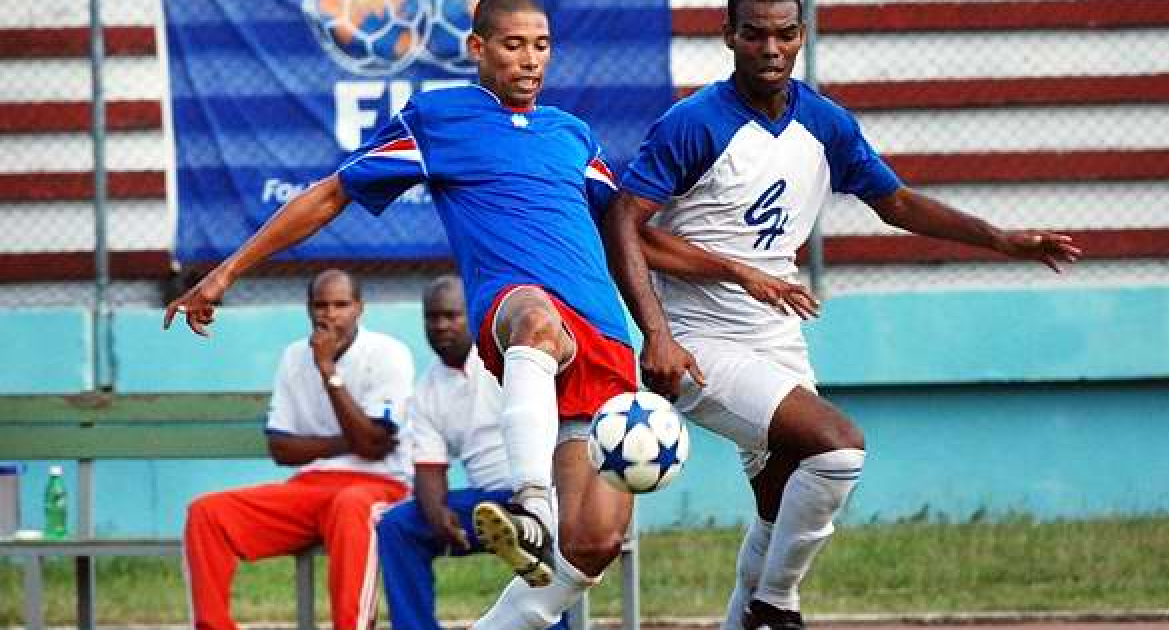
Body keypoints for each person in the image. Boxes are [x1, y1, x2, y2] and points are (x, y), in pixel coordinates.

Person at [604, 1, 1083, 629]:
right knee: (837, 449)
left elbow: (898, 202)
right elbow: (622, 223)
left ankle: (749, 613)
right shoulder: (694, 123)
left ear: (801, 36)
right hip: (699, 340)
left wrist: (1003, 239)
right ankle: (777, 604)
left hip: (777, 335)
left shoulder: (825, 124)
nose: (770, 48)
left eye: (784, 34)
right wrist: (660, 334)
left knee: (779, 506)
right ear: (730, 38)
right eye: (754, 35)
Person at [164, 1, 637, 628]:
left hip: (604, 339)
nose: (530, 59)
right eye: (514, 45)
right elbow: (331, 193)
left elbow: (627, 230)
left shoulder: (573, 135)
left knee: (592, 546)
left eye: (542, 46)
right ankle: (530, 509)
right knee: (535, 320)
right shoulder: (438, 120)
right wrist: (226, 270)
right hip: (518, 313)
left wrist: (662, 329)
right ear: (477, 49)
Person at [182, 269, 416, 630]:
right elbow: (281, 448)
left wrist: (328, 370)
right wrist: (347, 441)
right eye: (320, 305)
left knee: (350, 504)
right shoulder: (294, 356)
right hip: (310, 487)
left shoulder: (388, 353)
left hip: (379, 487)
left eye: (341, 305)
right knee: (207, 513)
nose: (330, 314)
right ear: (308, 309)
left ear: (360, 308)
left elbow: (372, 448)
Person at [375, 275, 567, 630]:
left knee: (548, 527)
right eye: (432, 317)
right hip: (485, 510)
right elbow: (429, 467)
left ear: (472, 316)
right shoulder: (427, 390)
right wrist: (437, 515)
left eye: (451, 315)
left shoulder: (506, 358)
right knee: (397, 526)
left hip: (541, 495)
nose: (441, 325)